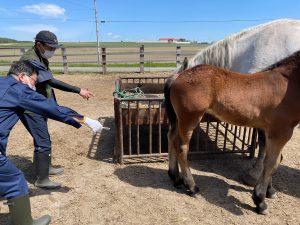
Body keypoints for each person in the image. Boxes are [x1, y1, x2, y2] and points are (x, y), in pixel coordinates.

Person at [1, 60, 102, 225]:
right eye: (33, 81)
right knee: (15, 180)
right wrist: (85, 119)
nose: (33, 86)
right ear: (22, 76)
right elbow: (51, 108)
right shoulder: (18, 90)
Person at [19, 30, 95, 189]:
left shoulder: (40, 56)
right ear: (39, 44)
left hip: (39, 104)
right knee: (43, 141)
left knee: (42, 137)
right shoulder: (30, 59)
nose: (52, 51)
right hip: (30, 107)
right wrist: (78, 90)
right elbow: (51, 81)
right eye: (50, 47)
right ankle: (42, 179)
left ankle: (45, 168)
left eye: (54, 48)